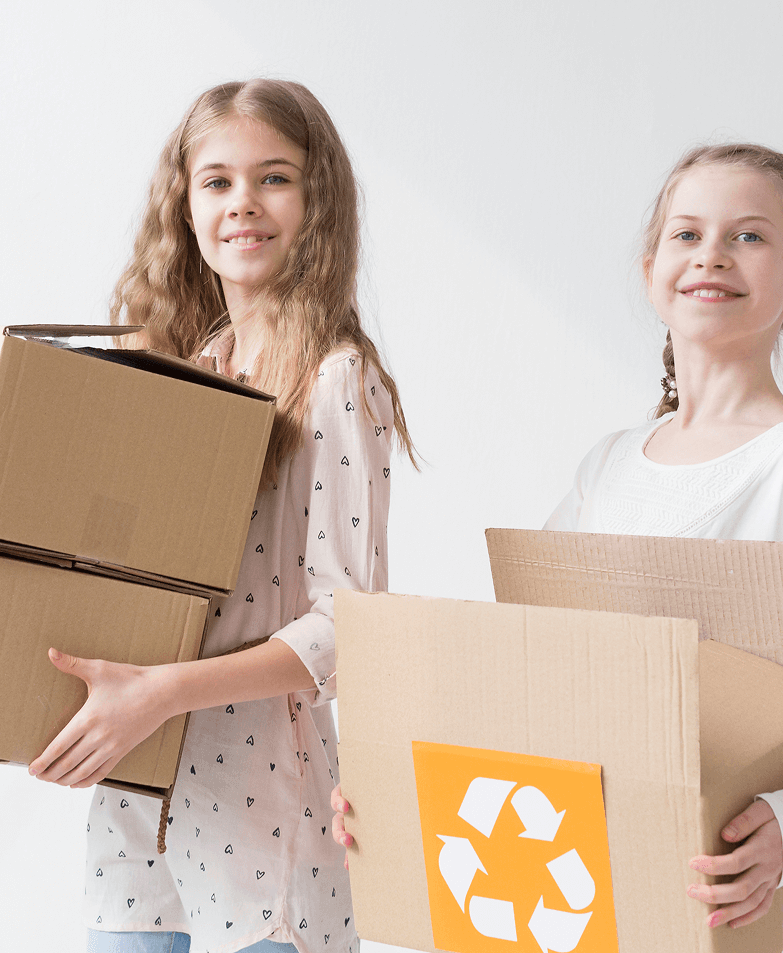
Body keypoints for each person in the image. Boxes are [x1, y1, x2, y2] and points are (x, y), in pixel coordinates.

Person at [331, 142, 783, 933]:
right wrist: (399, 781)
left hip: (721, 889)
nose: (712, 254)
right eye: (687, 234)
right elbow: (528, 666)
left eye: (750, 235)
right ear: (650, 272)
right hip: (593, 866)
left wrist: (780, 823)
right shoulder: (607, 467)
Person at [26, 78, 415, 953]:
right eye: (218, 182)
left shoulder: (337, 380)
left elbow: (348, 631)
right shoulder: (196, 368)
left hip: (261, 811)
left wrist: (161, 694)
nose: (244, 204)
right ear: (187, 206)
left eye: (274, 178)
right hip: (137, 793)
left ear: (319, 202)